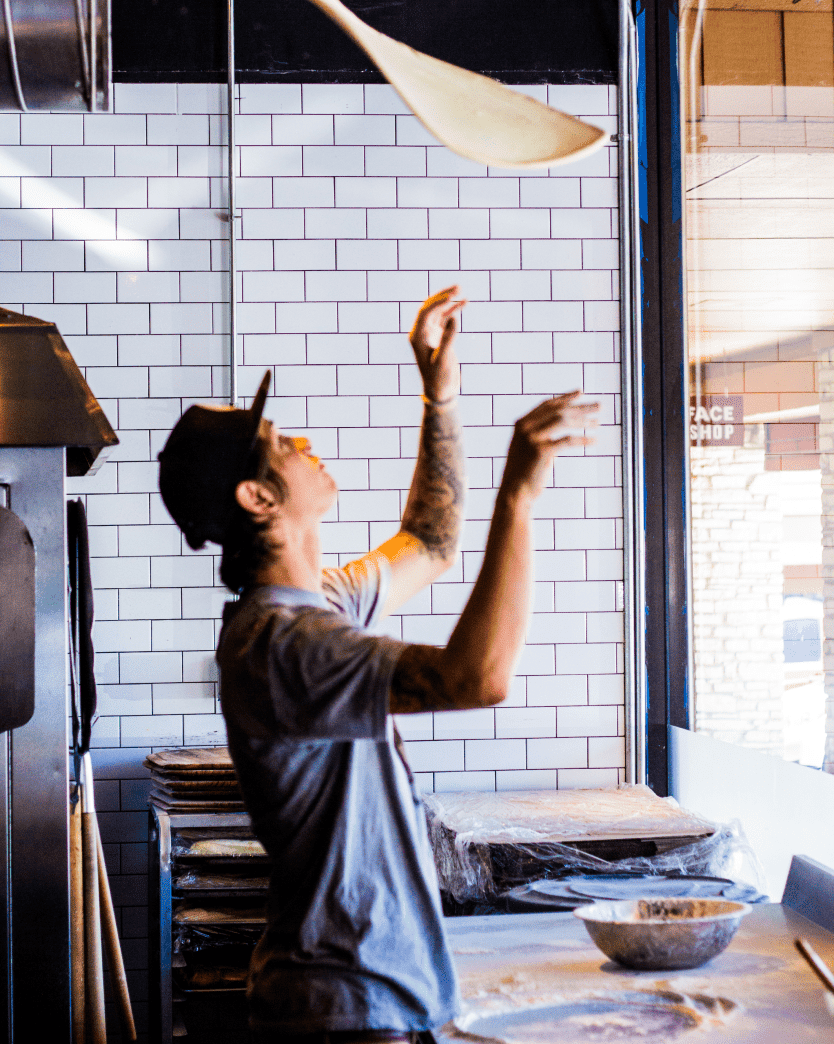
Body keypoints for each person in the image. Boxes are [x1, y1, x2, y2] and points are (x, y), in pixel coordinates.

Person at [158, 285, 598, 1044]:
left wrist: (441, 397)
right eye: (283, 442)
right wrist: (519, 496)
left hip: (367, 997)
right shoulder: (284, 647)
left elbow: (428, 541)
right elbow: (477, 677)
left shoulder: (313, 608)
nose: (304, 444)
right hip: (345, 1013)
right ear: (259, 496)